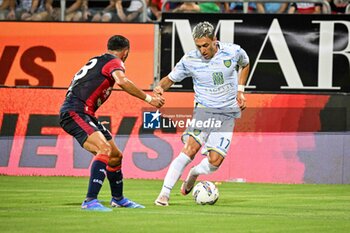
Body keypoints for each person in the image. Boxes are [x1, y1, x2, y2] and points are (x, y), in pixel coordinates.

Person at [59, 35, 165, 211]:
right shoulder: (114, 61)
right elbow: (122, 81)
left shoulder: (98, 60)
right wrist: (149, 99)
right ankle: (90, 200)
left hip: (85, 113)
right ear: (126, 52)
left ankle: (118, 198)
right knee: (105, 150)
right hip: (75, 112)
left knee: (115, 155)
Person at [153, 22, 250, 206]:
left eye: (206, 45)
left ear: (215, 40)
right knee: (190, 149)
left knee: (214, 162)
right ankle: (164, 194)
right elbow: (170, 79)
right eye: (198, 46)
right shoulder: (190, 60)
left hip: (228, 113)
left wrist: (240, 90)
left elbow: (245, 64)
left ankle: (194, 173)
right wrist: (159, 88)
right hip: (204, 111)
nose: (202, 50)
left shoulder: (233, 51)